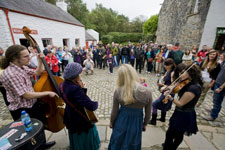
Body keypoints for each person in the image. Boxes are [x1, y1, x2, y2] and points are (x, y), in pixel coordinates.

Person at [0, 45, 58, 148]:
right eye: (25, 56)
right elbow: (26, 95)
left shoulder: (21, 67)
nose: (29, 58)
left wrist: (40, 61)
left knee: (38, 128)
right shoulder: (11, 73)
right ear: (15, 58)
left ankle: (42, 144)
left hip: (31, 105)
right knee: (29, 134)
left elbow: (38, 72)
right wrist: (47, 93)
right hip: (22, 109)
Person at [108, 64, 152, 150]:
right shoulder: (147, 92)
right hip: (136, 121)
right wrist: (145, 124)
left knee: (118, 140)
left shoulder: (118, 91)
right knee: (133, 142)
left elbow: (114, 112)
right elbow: (148, 113)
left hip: (121, 120)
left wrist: (111, 122)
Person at [59, 62, 100, 150]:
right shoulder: (75, 89)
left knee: (74, 135)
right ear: (76, 76)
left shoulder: (62, 85)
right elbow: (91, 106)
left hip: (70, 114)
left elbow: (73, 99)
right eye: (79, 73)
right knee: (83, 137)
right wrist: (96, 103)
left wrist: (80, 88)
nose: (80, 75)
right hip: (80, 118)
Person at [163, 64, 202, 150]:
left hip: (185, 114)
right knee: (173, 133)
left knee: (175, 134)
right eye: (180, 73)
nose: (180, 75)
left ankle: (171, 148)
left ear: (190, 72)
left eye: (182, 73)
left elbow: (180, 103)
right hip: (179, 112)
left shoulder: (194, 88)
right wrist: (166, 88)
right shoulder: (186, 82)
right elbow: (175, 88)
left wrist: (170, 98)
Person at [149, 58, 176, 125]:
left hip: (168, 93)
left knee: (154, 104)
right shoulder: (167, 71)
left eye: (167, 65)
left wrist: (164, 86)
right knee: (164, 105)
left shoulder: (173, 73)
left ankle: (153, 120)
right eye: (165, 65)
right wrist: (160, 83)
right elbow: (164, 80)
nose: (165, 66)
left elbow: (173, 85)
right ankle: (162, 118)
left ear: (172, 65)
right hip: (165, 92)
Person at [203, 55, 225, 121]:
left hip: (221, 85)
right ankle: (214, 110)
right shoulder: (223, 62)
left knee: (218, 101)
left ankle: (213, 116)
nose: (220, 56)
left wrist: (221, 87)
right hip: (217, 83)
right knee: (215, 99)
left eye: (222, 56)